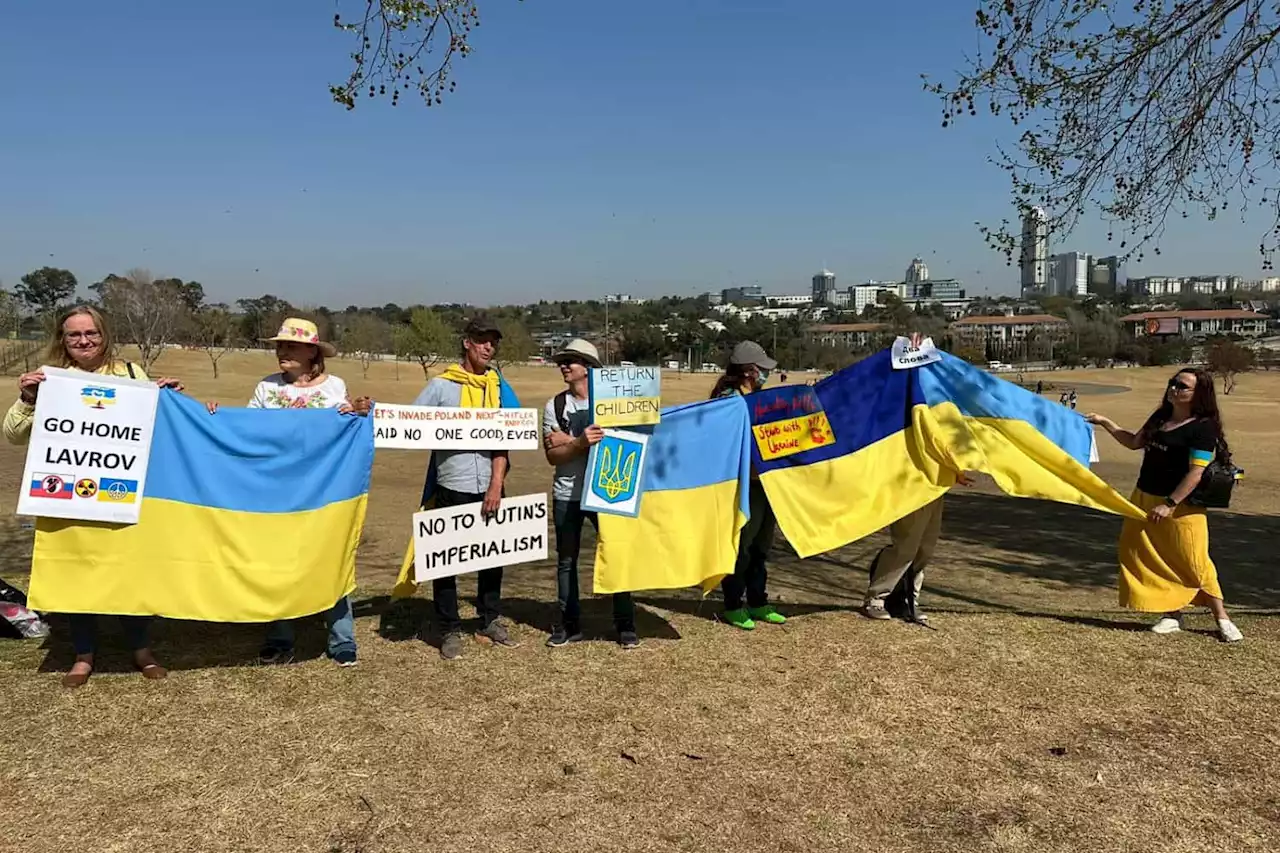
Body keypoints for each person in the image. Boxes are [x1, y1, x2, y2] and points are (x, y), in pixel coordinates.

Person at [4, 305, 184, 687]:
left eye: (92, 333)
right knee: (76, 575)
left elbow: (154, 427)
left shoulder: (131, 374)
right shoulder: (51, 380)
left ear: (105, 335)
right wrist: (28, 399)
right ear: (62, 340)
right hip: (65, 497)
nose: (84, 341)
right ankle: (83, 656)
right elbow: (14, 436)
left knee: (129, 573)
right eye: (74, 335)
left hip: (120, 495)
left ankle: (141, 650)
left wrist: (171, 400)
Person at [207, 317, 371, 666]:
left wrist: (355, 413)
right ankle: (279, 638)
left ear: (312, 352)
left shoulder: (333, 387)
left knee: (330, 557)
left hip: (323, 491)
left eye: (290, 346)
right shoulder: (267, 388)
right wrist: (216, 418)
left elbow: (346, 431)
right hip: (276, 493)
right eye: (280, 346)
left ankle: (342, 639)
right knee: (276, 562)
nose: (282, 351)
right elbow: (249, 430)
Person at [1086, 368, 1243, 642]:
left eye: (1182, 386)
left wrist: (1170, 503)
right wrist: (1105, 423)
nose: (1174, 388)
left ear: (1198, 394)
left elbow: (1196, 472)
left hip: (1181, 505)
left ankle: (1221, 618)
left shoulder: (1203, 428)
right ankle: (1172, 614)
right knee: (1146, 553)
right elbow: (1134, 442)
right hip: (1144, 496)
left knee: (1193, 561)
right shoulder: (1160, 417)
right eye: (1173, 383)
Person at [412, 316, 517, 659]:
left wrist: (496, 484)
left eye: (493, 342)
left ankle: (489, 619)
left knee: (493, 558)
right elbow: (407, 422)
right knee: (445, 562)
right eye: (482, 340)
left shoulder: (498, 386)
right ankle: (448, 629)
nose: (490, 347)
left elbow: (505, 438)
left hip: (490, 483)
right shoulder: (442, 386)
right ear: (467, 343)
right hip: (451, 483)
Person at [541, 339, 640, 649]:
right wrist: (579, 443)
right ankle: (569, 625)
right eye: (562, 361)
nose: (564, 366)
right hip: (567, 494)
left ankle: (626, 625)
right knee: (566, 562)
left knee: (618, 555)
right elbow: (553, 457)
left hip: (610, 493)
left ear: (589, 368)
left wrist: (566, 441)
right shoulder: (555, 405)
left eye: (571, 360)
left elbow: (633, 440)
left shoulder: (617, 402)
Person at [709, 340, 786, 630]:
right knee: (742, 546)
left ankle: (758, 601)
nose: (765, 374)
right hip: (742, 484)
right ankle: (732, 604)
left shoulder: (761, 398)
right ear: (749, 371)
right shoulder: (727, 400)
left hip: (767, 481)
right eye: (762, 369)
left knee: (762, 547)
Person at [863, 475, 972, 624]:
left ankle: (907, 599)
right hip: (912, 486)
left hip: (936, 488)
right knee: (905, 547)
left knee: (925, 549)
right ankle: (876, 598)